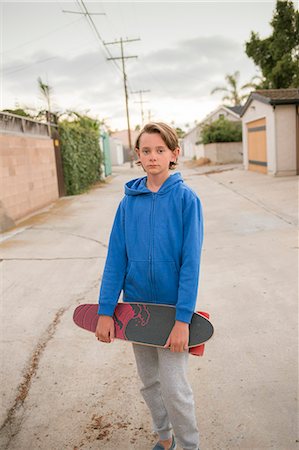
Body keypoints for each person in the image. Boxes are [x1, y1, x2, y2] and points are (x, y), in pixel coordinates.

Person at [96, 122, 204, 450]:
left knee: (175, 387)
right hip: (137, 311)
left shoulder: (187, 200)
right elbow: (116, 259)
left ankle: (190, 445)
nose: (153, 156)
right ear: (137, 156)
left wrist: (183, 319)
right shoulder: (128, 204)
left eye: (160, 150)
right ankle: (164, 437)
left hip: (172, 311)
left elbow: (191, 265)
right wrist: (106, 310)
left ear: (174, 154)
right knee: (149, 383)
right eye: (146, 150)